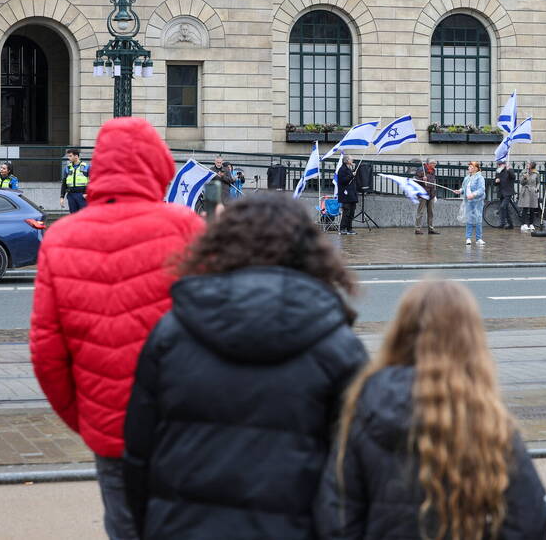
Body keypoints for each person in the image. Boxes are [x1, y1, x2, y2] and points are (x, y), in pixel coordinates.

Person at [124, 194, 368, 539]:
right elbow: (357, 473)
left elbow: (137, 454)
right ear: (310, 252)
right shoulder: (339, 347)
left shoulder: (171, 333)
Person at [30, 118, 204, 540]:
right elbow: (217, 334)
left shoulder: (61, 238)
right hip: (182, 428)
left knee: (126, 528)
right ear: (157, 165)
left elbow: (47, 355)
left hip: (111, 435)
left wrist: (88, 419)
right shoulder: (186, 228)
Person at [315, 279, 546, 539]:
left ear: (400, 332)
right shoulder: (488, 419)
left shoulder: (364, 406)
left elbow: (337, 518)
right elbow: (531, 520)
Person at [453, 160, 485, 246]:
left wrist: (473, 194)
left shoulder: (480, 178)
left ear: (475, 169)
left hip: (477, 201)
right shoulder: (466, 178)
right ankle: (468, 238)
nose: (469, 168)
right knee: (469, 219)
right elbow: (464, 188)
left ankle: (479, 238)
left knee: (478, 219)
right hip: (468, 201)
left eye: (470, 167)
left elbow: (481, 190)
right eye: (469, 167)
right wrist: (459, 191)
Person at [60, 148, 90, 213]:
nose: (68, 158)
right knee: (73, 216)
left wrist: (86, 193)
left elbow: (92, 181)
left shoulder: (86, 167)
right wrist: (62, 197)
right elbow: (64, 183)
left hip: (82, 195)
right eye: (68, 156)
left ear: (76, 156)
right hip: (71, 195)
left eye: (70, 156)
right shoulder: (67, 168)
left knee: (83, 215)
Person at [413, 158, 439, 235]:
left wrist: (434, 194)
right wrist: (422, 179)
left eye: (435, 164)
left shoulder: (433, 170)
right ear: (429, 164)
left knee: (431, 212)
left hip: (431, 194)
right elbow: (415, 180)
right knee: (420, 212)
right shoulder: (421, 169)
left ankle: (431, 228)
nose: (435, 165)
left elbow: (433, 182)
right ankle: (417, 229)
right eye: (434, 164)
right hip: (423, 193)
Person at [337, 155, 358, 235]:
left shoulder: (349, 169)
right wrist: (352, 175)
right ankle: (342, 228)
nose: (352, 160)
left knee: (352, 213)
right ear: (347, 160)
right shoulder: (342, 169)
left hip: (352, 195)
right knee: (346, 212)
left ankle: (349, 228)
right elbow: (343, 181)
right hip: (346, 195)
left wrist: (353, 172)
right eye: (351, 159)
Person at [494, 160, 517, 229]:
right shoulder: (498, 171)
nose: (499, 166)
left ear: (503, 165)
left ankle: (502, 223)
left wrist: (509, 170)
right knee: (505, 208)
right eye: (498, 165)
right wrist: (496, 181)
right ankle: (510, 224)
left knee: (502, 207)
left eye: (500, 164)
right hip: (501, 192)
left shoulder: (509, 170)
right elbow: (495, 182)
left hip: (508, 192)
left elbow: (513, 177)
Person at [518, 161, 540, 231]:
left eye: (529, 164)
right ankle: (523, 224)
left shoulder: (536, 173)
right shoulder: (523, 172)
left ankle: (531, 224)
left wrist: (537, 189)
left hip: (533, 191)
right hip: (526, 190)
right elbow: (521, 183)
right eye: (527, 164)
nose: (527, 165)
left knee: (532, 208)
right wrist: (524, 178)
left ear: (532, 166)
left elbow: (538, 182)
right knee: (525, 208)